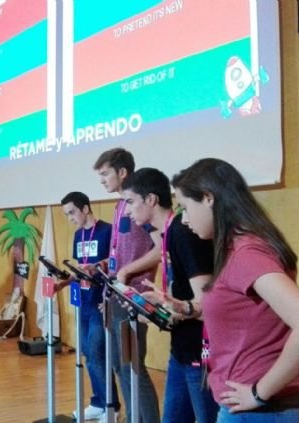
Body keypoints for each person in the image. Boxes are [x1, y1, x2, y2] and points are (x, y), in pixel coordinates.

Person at [171, 158, 299, 422]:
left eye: (185, 207)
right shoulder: (243, 247)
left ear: (208, 198)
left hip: (261, 411)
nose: (184, 219)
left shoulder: (246, 253)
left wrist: (259, 393)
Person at [121, 168, 218, 423]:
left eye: (130, 202)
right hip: (181, 350)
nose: (127, 211)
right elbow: (183, 297)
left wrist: (175, 309)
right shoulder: (168, 233)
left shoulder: (183, 232)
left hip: (201, 352)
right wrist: (158, 307)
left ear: (151, 199)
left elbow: (206, 305)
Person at [91, 148, 161, 423]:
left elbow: (161, 247)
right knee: (120, 366)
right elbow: (119, 253)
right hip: (115, 296)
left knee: (134, 367)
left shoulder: (139, 207)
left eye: (106, 173)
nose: (102, 180)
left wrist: (128, 271)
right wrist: (104, 270)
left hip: (135, 298)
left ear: (122, 172)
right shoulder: (119, 206)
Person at [52, 192, 120, 420]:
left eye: (72, 212)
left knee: (97, 353)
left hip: (101, 302)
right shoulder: (78, 235)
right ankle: (98, 402)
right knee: (88, 354)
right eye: (66, 214)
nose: (70, 218)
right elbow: (80, 269)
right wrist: (64, 282)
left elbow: (114, 264)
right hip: (83, 302)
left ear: (86, 208)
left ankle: (113, 406)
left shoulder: (107, 231)